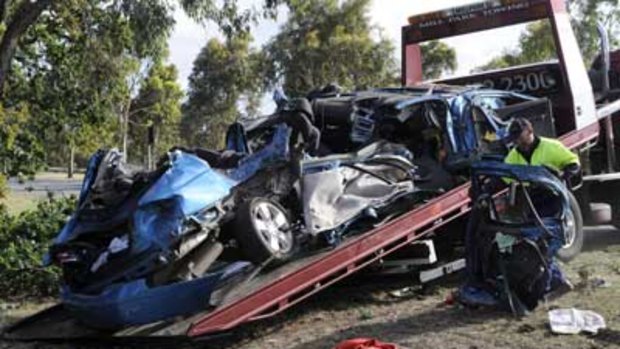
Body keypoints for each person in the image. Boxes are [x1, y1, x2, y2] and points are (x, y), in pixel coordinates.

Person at [504, 117, 581, 182]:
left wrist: (561, 177)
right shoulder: (512, 157)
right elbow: (504, 179)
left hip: (555, 195)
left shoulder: (551, 146)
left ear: (530, 131)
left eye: (520, 137)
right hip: (530, 196)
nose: (517, 141)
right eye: (514, 139)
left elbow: (573, 164)